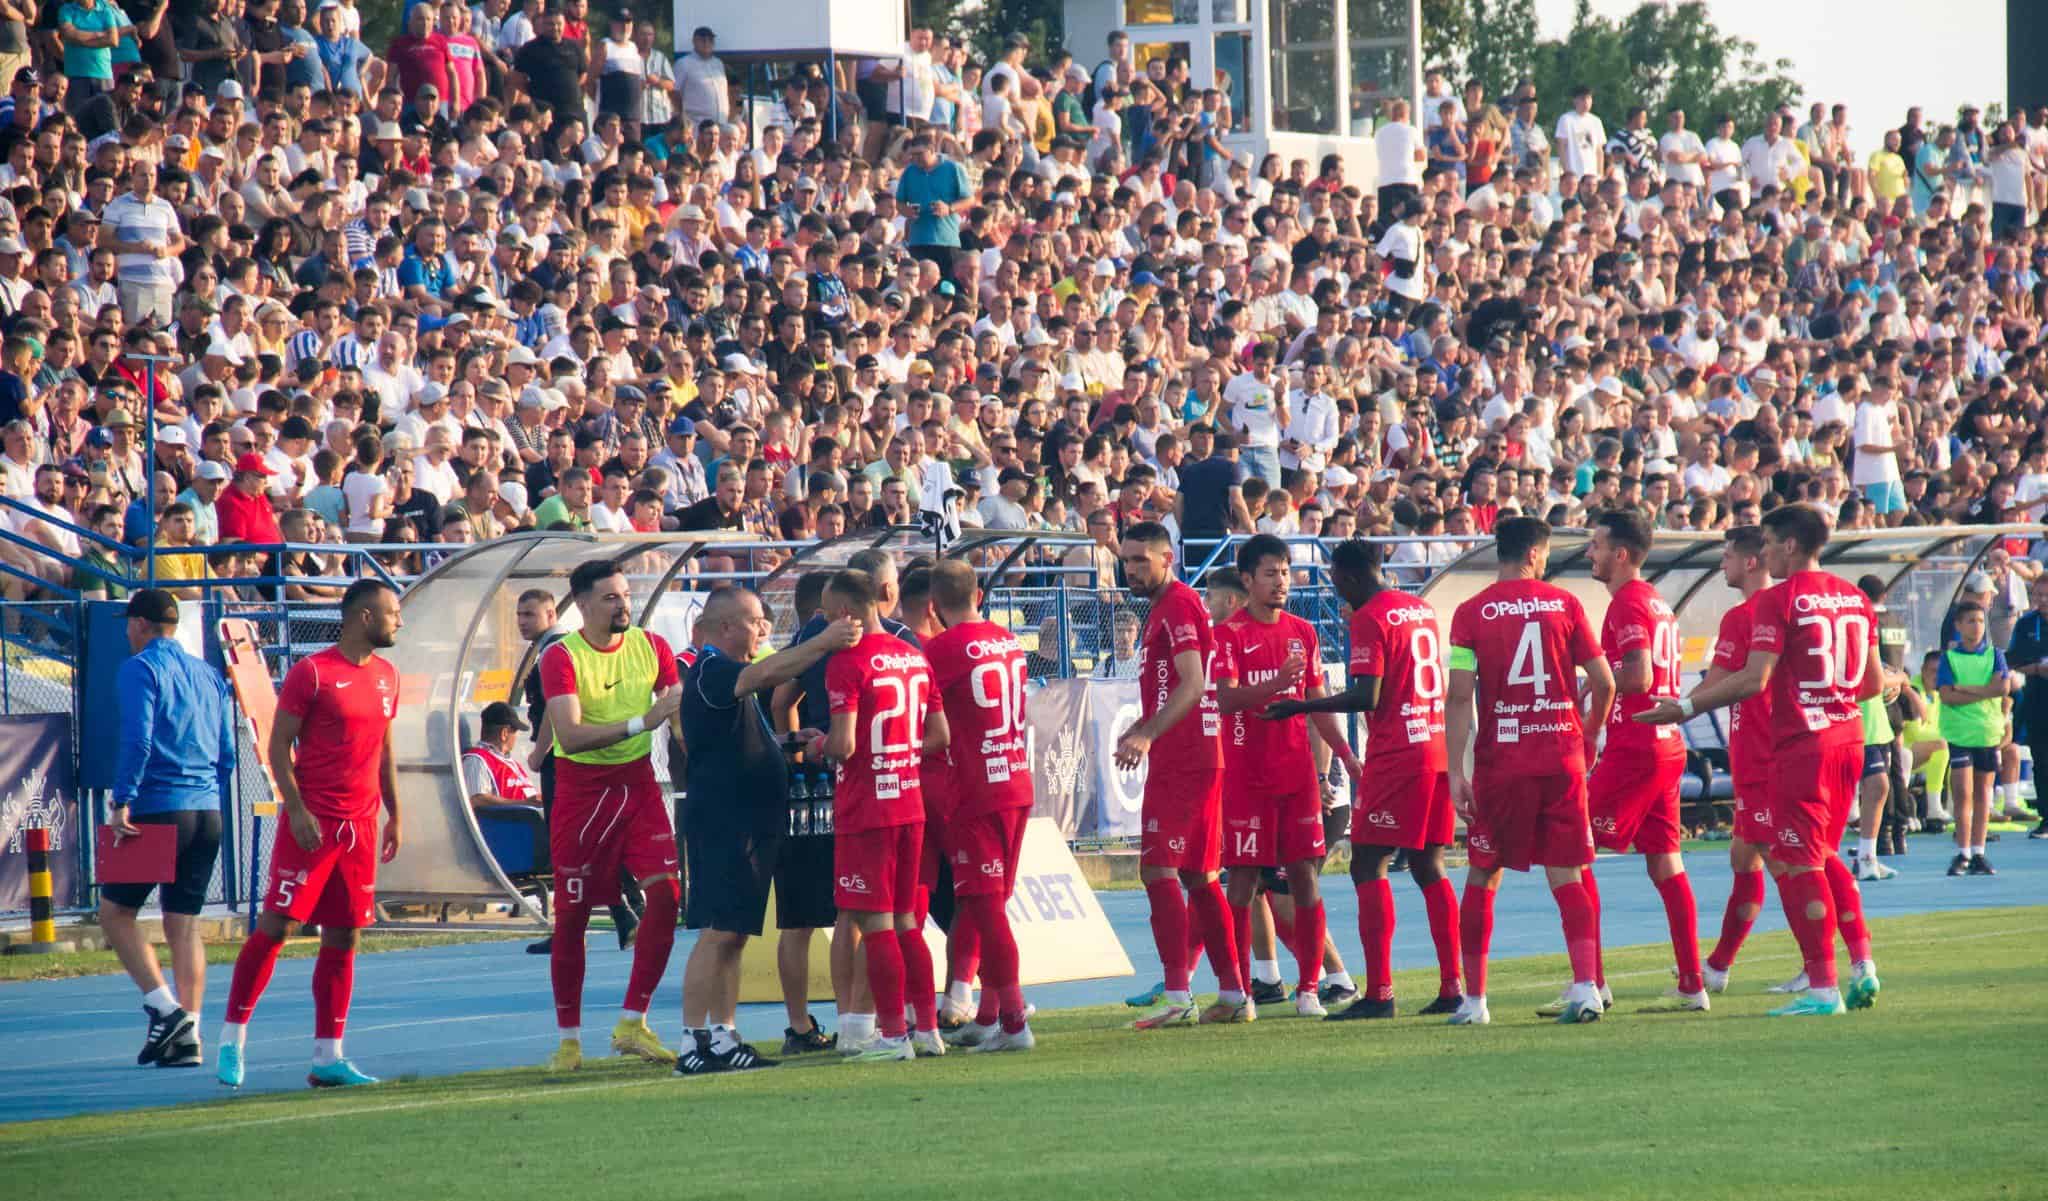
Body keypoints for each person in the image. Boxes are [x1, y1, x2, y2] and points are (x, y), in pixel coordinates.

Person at [1637, 504, 1883, 1017]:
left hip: (1792, 750)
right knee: (1810, 855)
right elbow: (1874, 684)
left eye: (1769, 543)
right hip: (1848, 740)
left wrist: (1680, 709)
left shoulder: (1774, 602)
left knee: (1799, 862)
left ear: (1788, 545)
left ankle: (1821, 987)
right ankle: (1856, 964)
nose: (1765, 554)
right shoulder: (1856, 598)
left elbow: (1751, 680)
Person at [216, 579, 403, 1089]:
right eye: (392, 613)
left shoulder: (388, 676)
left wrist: (395, 815)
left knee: (345, 935)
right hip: (313, 823)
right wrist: (295, 809)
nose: (398, 622)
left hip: (361, 828)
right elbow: (279, 746)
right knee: (277, 928)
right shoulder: (312, 673)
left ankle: (328, 1056)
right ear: (364, 617)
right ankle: (233, 1039)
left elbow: (385, 752)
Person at [1266, 538, 1463, 1019]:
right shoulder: (1418, 608)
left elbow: (1366, 696)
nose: (1334, 589)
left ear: (1351, 576)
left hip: (1399, 756)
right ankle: (1452, 986)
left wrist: (1301, 705)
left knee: (1367, 864)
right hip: (1434, 746)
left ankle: (1379, 993)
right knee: (1427, 865)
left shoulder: (1370, 618)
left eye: (1335, 578)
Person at [673, 584, 858, 1075]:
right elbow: (765, 673)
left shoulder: (728, 678)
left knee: (733, 936)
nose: (762, 629)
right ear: (726, 626)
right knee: (716, 934)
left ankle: (723, 1032)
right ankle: (692, 1041)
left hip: (748, 823)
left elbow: (739, 740)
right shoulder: (712, 669)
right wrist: (822, 642)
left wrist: (789, 741)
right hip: (723, 824)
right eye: (755, 621)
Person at [1444, 516, 1615, 1026]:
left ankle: (1475, 1002)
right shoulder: (1566, 605)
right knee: (1567, 870)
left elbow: (1458, 698)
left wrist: (1456, 770)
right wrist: (1587, 735)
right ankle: (1586, 987)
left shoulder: (1470, 613)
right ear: (1536, 555)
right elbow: (1604, 682)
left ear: (1502, 552)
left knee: (1483, 872)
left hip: (1504, 762)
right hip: (1561, 753)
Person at [536, 559, 686, 1072]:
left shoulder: (652, 646)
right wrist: (641, 722)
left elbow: (676, 713)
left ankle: (632, 1022)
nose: (624, 605)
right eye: (610, 598)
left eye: (626, 595)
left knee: (667, 897)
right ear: (581, 605)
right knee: (572, 918)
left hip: (638, 785)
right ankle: (569, 1041)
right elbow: (570, 736)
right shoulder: (561, 656)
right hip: (582, 796)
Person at [1209, 533, 1359, 1018]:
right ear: (1248, 580)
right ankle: (1239, 992)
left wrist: (1346, 756)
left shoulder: (1303, 632)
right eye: (1270, 573)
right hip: (1247, 779)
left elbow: (1316, 704)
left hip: (1298, 779)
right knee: (1244, 883)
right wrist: (1276, 683)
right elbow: (1226, 699)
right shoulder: (1228, 634)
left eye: (1286, 571)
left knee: (1304, 880)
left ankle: (1310, 989)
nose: (1281, 581)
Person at [810, 567, 951, 1062]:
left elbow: (844, 744)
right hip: (910, 801)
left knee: (876, 925)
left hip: (867, 808)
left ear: (847, 612)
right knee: (908, 921)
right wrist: (896, 751)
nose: (827, 625)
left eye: (829, 615)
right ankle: (926, 1028)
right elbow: (940, 737)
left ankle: (892, 1036)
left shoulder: (846, 663)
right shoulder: (915, 657)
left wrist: (817, 747)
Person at [1574, 510, 1705, 1013]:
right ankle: (1692, 984)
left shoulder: (1628, 602)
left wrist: (1591, 682)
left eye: (1597, 546)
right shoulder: (1655, 600)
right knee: (1666, 863)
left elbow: (1640, 676)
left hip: (1639, 746)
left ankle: (1593, 982)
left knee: (1573, 845)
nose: (1591, 553)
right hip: (1667, 744)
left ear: (1620, 555)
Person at [1116, 520, 1246, 1028]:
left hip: (1185, 758)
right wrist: (1144, 723)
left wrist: (1148, 733)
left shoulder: (1179, 605)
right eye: (1126, 560)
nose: (1130, 569)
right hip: (1192, 755)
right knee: (1199, 876)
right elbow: (1177, 686)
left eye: (1140, 560)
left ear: (1167, 558)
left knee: (1159, 871)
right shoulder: (1162, 610)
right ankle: (1233, 992)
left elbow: (1192, 685)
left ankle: (1177, 993)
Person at [103, 588, 234, 1070]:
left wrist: (123, 799)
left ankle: (164, 1008)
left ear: (138, 624)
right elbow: (227, 752)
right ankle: (190, 1035)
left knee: (116, 914)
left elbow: (137, 738)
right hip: (208, 810)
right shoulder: (208, 672)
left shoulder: (140, 669)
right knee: (184, 924)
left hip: (159, 806)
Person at [925, 560, 1038, 1051]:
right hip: (1014, 778)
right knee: (979, 902)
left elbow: (929, 723)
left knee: (987, 907)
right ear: (979, 594)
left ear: (933, 606)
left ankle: (1014, 1023)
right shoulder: (1009, 641)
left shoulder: (940, 649)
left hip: (975, 788)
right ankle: (990, 1014)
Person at [1696, 526, 1776, 990]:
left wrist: (1673, 711)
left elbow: (1714, 686)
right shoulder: (1779, 610)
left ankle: (1818, 964)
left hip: (1766, 754)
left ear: (1750, 561)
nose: (1721, 563)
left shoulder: (1746, 615)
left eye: (1727, 555)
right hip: (1753, 751)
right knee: (1745, 859)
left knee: (1787, 861)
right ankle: (1719, 966)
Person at [1937, 601, 2013, 877]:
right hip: (1959, 733)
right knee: (1963, 793)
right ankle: (1963, 852)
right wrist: (1985, 690)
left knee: (1983, 794)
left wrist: (1964, 688)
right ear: (1958, 625)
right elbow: (1947, 695)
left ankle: (1979, 852)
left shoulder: (1995, 655)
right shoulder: (1949, 658)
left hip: (1987, 733)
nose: (1976, 626)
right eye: (1970, 621)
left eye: (1980, 621)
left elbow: (2001, 688)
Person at [2009, 575, 2048, 840]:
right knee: (2042, 760)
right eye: (2038, 596)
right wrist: (2036, 669)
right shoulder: (2025, 624)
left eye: (2046, 596)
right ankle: (2046, 817)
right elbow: (2012, 660)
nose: (2041, 601)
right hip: (2037, 699)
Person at [462, 701, 538, 808]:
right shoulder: (477, 759)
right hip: (506, 822)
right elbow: (477, 799)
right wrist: (524, 803)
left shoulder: (509, 763)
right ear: (504, 733)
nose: (516, 736)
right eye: (515, 731)